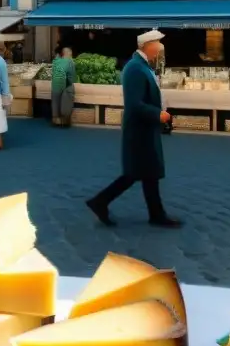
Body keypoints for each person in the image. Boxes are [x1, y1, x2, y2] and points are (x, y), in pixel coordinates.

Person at [86, 30, 182, 228]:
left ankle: (156, 214)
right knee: (134, 173)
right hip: (140, 132)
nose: (159, 51)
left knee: (148, 172)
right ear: (147, 46)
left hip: (143, 130)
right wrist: (158, 114)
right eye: (157, 45)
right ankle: (100, 202)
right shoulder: (136, 68)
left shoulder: (140, 66)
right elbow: (134, 104)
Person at [51, 47, 76, 127]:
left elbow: (54, 71)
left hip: (54, 83)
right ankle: (64, 120)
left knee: (55, 100)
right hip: (63, 82)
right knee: (67, 97)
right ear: (69, 54)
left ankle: (55, 119)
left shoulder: (56, 61)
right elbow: (71, 77)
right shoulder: (70, 62)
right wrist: (71, 84)